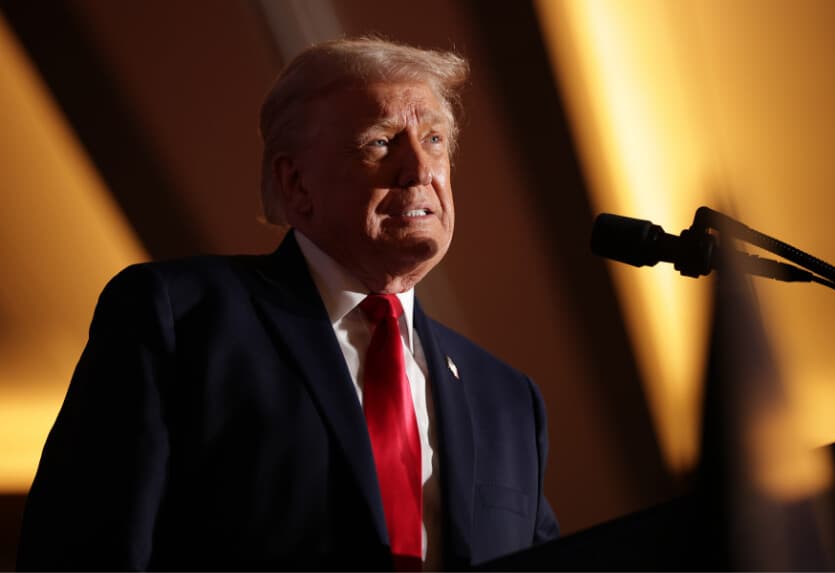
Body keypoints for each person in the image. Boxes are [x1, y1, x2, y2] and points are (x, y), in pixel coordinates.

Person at [17, 36, 559, 571]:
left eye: (435, 139)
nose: (420, 169)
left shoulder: (506, 398)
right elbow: (81, 550)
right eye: (380, 142)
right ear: (295, 183)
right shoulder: (182, 318)